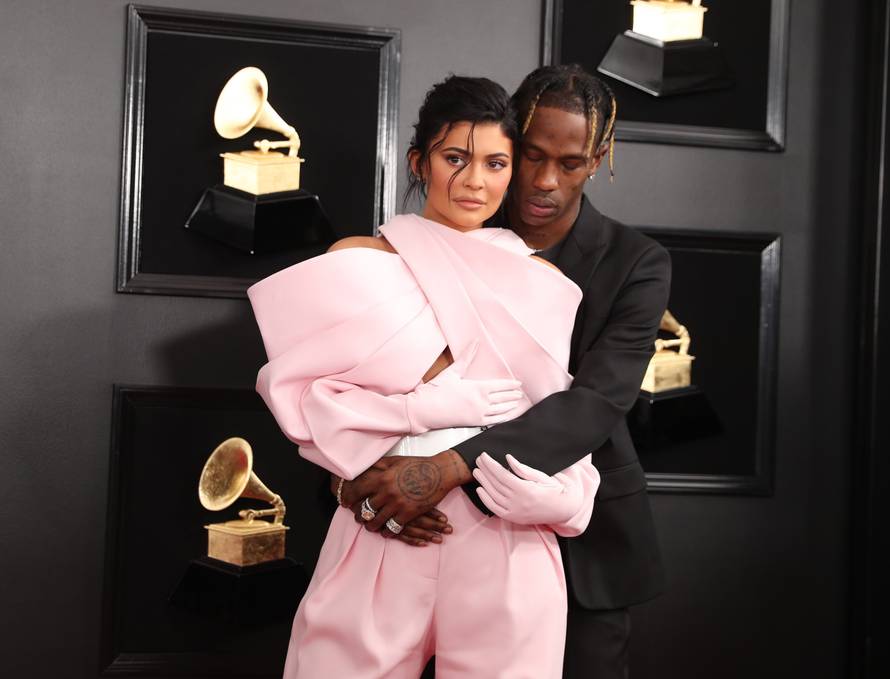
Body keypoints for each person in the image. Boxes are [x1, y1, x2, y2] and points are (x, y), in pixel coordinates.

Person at [248, 75, 600, 679]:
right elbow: (309, 400)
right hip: (382, 523)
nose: (473, 181)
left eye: (495, 163)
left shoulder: (544, 282)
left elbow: (561, 426)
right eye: (454, 158)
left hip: (507, 536)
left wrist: (561, 500)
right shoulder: (357, 260)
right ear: (421, 162)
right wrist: (393, 438)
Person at [339, 64, 671, 679]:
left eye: (570, 164)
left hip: (583, 539)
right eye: (531, 155)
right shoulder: (448, 225)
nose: (544, 181)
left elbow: (595, 404)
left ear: (600, 157)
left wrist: (444, 469)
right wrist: (353, 483)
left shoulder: (638, 263)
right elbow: (365, 379)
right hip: (423, 528)